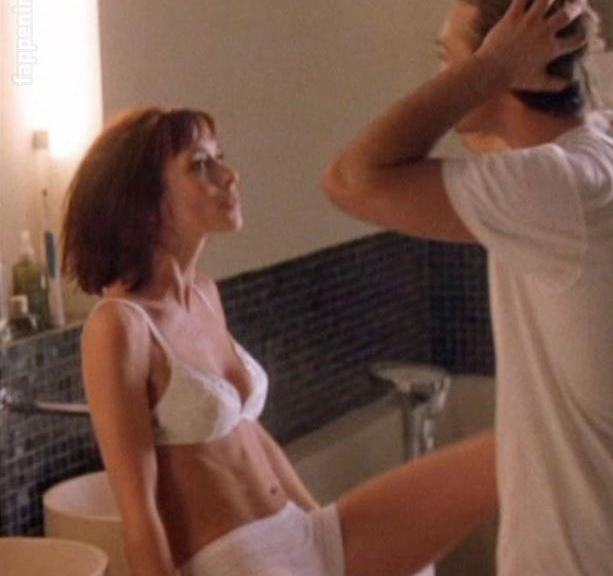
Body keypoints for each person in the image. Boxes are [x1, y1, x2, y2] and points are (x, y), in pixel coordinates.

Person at [323, 0, 613, 576]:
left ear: (509, 66)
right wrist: (496, 73)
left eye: (449, 60)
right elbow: (498, 149)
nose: (444, 79)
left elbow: (351, 181)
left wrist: (490, 68)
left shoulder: (564, 189)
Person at [63, 107, 497, 576]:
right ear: (144, 204)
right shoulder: (120, 326)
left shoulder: (204, 294)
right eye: (200, 165)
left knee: (502, 456)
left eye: (219, 158)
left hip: (300, 532)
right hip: (240, 560)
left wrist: (317, 525)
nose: (229, 176)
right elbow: (140, 516)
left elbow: (249, 431)